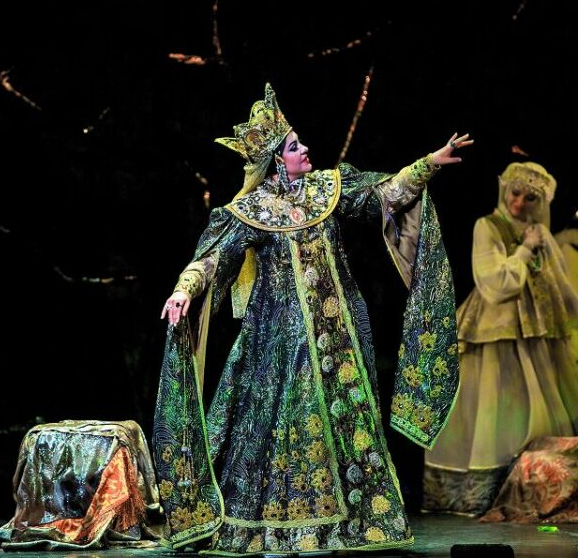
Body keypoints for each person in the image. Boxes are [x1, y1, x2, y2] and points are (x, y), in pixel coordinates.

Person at [154, 82, 472, 554]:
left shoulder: (327, 189)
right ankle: (289, 525)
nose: (304, 150)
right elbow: (213, 259)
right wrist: (184, 290)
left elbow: (384, 194)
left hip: (338, 340)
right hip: (279, 347)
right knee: (287, 425)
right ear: (276, 162)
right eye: (294, 146)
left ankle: (356, 523)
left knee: (347, 425)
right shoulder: (251, 211)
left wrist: (429, 163)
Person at [423, 161, 578, 517]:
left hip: (534, 332)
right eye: (515, 193)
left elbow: (559, 284)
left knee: (535, 410)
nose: (519, 203)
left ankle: (534, 488)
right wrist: (523, 251)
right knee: (494, 409)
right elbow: (493, 280)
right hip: (495, 330)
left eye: (529, 198)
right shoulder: (488, 226)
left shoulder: (539, 232)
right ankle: (480, 492)